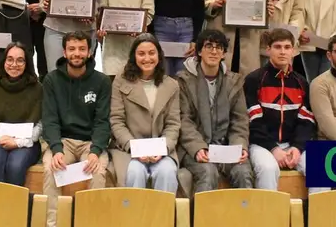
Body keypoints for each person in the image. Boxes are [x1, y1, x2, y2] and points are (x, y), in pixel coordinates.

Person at [41, 31, 111, 227]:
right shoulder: (51, 80)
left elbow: (102, 121)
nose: (77, 53)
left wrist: (95, 151)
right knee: (50, 169)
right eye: (72, 49)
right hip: (62, 141)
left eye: (82, 49)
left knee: (98, 172)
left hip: (90, 142)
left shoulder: (102, 81)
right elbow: (50, 119)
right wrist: (56, 149)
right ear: (64, 52)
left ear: (90, 52)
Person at [175, 29, 253, 194]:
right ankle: (201, 220)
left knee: (243, 172)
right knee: (208, 172)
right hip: (195, 149)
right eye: (209, 46)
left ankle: (244, 219)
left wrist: (240, 147)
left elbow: (239, 121)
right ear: (199, 51)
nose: (214, 51)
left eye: (219, 47)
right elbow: (184, 120)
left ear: (224, 53)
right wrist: (198, 148)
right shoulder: (183, 81)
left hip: (225, 147)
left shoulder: (234, 82)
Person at [245, 28, 316, 191]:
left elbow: (306, 122)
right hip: (262, 145)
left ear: (294, 51)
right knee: (268, 169)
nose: (283, 52)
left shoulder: (302, 83)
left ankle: (313, 216)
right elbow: (253, 122)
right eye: (277, 47)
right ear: (268, 50)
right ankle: (269, 217)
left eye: (287, 47)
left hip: (293, 145)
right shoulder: (254, 79)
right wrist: (274, 149)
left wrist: (297, 148)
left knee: (319, 170)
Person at [109, 34, 180, 192]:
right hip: (128, 149)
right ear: (134, 56)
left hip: (161, 149)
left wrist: (163, 148)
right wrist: (133, 148)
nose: (147, 58)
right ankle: (134, 217)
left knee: (167, 172)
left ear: (159, 56)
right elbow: (117, 121)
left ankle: (163, 217)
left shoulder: (172, 85)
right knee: (135, 172)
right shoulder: (120, 81)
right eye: (141, 54)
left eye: (151, 53)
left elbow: (173, 124)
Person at [0, 42, 43, 186]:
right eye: (10, 59)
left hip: (27, 143)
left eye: (20, 60)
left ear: (27, 63)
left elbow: (40, 125)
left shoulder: (37, 89)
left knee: (15, 166)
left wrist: (18, 142)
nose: (14, 64)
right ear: (4, 61)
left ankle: (16, 208)